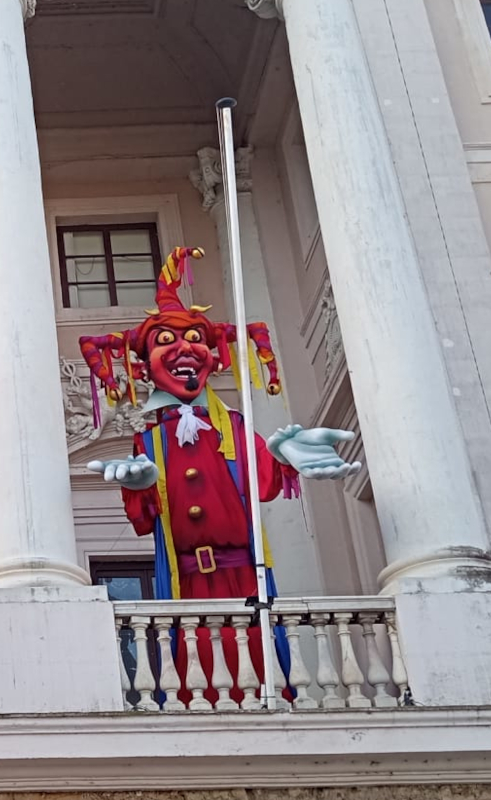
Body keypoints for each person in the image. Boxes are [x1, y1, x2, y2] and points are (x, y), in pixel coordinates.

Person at [80, 247, 360, 702]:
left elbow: (262, 479)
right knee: (200, 680)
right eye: (166, 342)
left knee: (260, 673)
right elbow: (145, 518)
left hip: (243, 576)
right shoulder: (149, 440)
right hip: (188, 583)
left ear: (212, 356)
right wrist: (140, 489)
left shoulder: (232, 425)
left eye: (193, 339)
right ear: (144, 365)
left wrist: (286, 457)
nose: (184, 350)